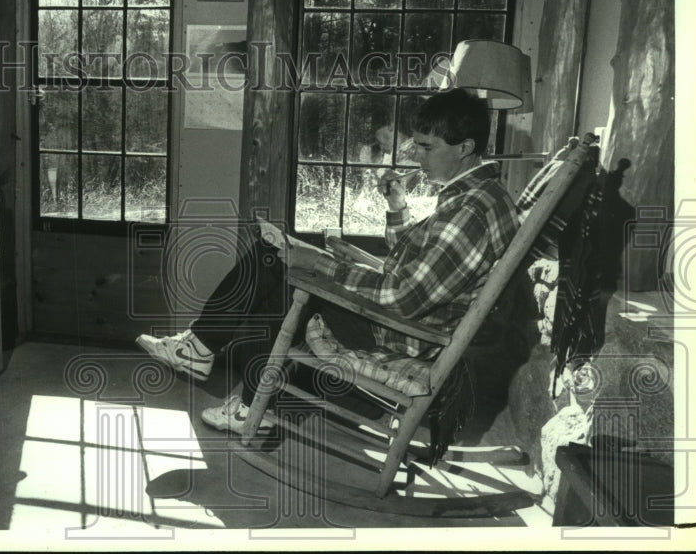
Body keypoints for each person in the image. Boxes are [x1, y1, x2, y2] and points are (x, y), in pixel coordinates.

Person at [137, 89, 521, 434]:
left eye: (427, 147)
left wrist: (321, 265)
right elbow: (419, 262)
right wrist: (397, 205)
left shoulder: (470, 212)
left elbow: (402, 296)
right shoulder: (480, 195)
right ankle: (228, 380)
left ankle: (219, 371)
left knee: (280, 270)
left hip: (401, 332)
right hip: (407, 318)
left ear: (465, 147)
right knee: (281, 258)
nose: (416, 156)